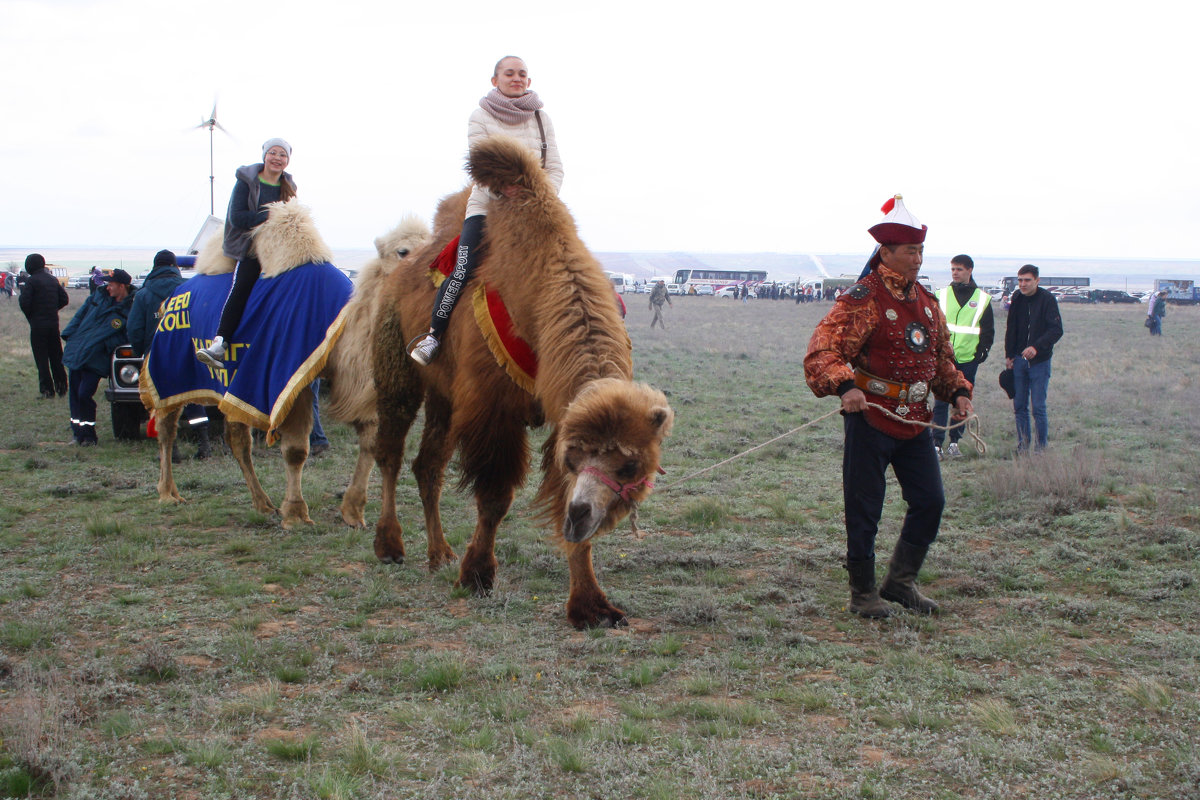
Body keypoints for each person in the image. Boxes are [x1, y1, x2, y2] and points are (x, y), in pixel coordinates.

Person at [804, 195, 972, 618]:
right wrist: (844, 387)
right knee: (864, 509)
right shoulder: (863, 299)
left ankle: (900, 584)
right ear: (886, 253)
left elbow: (939, 360)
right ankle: (863, 594)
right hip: (871, 419)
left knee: (930, 501)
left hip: (915, 421)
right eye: (910, 251)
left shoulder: (928, 305)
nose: (917, 259)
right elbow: (823, 350)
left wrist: (956, 391)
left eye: (920, 251)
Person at [409, 55, 563, 365]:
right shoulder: (480, 116)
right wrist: (503, 190)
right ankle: (433, 336)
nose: (516, 78)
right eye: (509, 73)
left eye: (522, 74)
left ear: (529, 81)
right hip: (487, 208)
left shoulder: (541, 119)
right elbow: (480, 162)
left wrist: (540, 197)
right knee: (463, 267)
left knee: (567, 266)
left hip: (535, 210)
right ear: (495, 80)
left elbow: (555, 168)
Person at [196, 138, 297, 367]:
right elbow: (238, 217)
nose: (277, 158)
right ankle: (220, 343)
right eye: (273, 152)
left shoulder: (289, 186)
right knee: (241, 287)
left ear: (288, 160)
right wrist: (271, 215)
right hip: (251, 247)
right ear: (264, 155)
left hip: (279, 249)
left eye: (282, 155)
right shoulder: (246, 182)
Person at [130, 250, 211, 459]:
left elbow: (135, 329)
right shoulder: (188, 290)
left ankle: (171, 451)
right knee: (193, 397)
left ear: (155, 267)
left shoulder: (143, 295)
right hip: (186, 353)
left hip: (157, 356)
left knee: (164, 402)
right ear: (174, 266)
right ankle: (204, 445)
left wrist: (142, 352)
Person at [61, 268, 136, 445]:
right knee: (74, 394)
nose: (107, 287)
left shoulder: (132, 306)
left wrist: (106, 345)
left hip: (98, 357)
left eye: (111, 284)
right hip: (79, 350)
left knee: (84, 393)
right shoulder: (97, 297)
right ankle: (78, 434)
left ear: (122, 286)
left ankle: (89, 434)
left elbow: (128, 335)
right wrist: (70, 337)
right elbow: (79, 318)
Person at [932, 254, 993, 459]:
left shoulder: (982, 299)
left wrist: (980, 354)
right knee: (941, 401)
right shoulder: (941, 295)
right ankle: (937, 443)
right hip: (943, 359)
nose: (955, 273)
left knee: (961, 402)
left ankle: (954, 442)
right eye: (952, 269)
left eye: (959, 269)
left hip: (968, 360)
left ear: (969, 270)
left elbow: (988, 331)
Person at [1004, 264, 1063, 454]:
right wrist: (1009, 355)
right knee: (1019, 406)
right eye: (1020, 280)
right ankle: (1023, 446)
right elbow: (1011, 328)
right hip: (1019, 360)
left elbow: (1056, 330)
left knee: (1038, 407)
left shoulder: (1047, 300)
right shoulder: (1017, 298)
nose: (1023, 284)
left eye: (1027, 280)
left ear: (1037, 281)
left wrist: (1036, 347)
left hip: (1040, 361)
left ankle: (1040, 448)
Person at [18, 253, 70, 398]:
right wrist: (52, 310)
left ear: (30, 265)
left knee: (41, 359)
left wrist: (33, 315)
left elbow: (24, 303)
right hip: (53, 324)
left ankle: (47, 390)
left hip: (38, 326)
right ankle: (62, 387)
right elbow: (64, 299)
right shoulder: (52, 279)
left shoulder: (32, 281)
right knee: (56, 356)